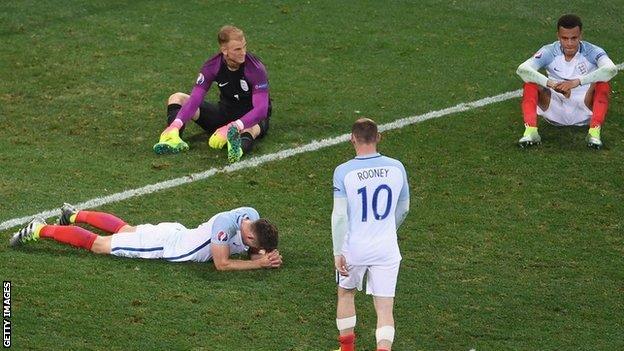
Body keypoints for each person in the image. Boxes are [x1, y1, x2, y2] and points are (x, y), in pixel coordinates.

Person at [331, 118, 410, 351]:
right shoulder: (397, 167)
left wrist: (337, 252)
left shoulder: (343, 172)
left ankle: (347, 350)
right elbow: (404, 209)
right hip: (386, 248)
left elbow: (340, 216)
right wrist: (387, 230)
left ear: (352, 139)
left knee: (346, 294)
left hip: (354, 247)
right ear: (378, 137)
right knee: (385, 308)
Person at [10, 204, 282, 271]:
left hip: (176, 232)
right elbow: (221, 264)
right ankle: (39, 229)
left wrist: (262, 253)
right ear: (247, 233)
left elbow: (251, 248)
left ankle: (73, 215)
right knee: (100, 245)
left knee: (126, 230)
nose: (252, 249)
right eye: (253, 244)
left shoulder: (251, 214)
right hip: (167, 245)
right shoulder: (225, 227)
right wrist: (258, 264)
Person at [153, 25, 271, 163]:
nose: (243, 52)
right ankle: (172, 139)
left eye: (244, 46)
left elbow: (261, 110)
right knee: (177, 97)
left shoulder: (256, 69)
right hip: (225, 114)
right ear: (224, 50)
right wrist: (176, 124)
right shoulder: (212, 66)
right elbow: (195, 99)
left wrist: (234, 126)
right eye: (237, 49)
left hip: (250, 118)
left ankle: (237, 149)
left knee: (251, 129)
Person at [516, 14, 618, 149]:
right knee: (530, 83)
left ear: (581, 35)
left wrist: (576, 82)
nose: (569, 43)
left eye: (574, 38)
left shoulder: (593, 51)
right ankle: (531, 132)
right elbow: (522, 70)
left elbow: (611, 69)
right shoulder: (548, 51)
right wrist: (551, 84)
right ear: (558, 36)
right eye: (564, 38)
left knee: (603, 84)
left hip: (584, 106)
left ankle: (594, 133)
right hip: (555, 104)